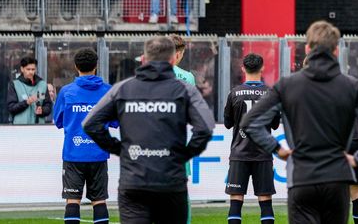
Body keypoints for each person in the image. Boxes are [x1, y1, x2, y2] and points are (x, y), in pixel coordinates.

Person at [241, 21, 358, 224]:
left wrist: (278, 149)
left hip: (302, 177)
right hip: (336, 177)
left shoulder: (287, 85)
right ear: (336, 50)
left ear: (307, 49)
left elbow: (249, 122)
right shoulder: (351, 86)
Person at [83, 36, 215, 223]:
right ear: (172, 60)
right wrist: (185, 154)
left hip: (134, 180)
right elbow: (206, 126)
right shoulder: (184, 88)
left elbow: (90, 123)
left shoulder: (123, 89)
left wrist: (119, 149)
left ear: (144, 60)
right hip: (170, 180)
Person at [52, 48, 113, 224]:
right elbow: (116, 121)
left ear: (76, 66)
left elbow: (58, 121)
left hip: (74, 154)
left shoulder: (66, 92)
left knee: (73, 201)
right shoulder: (107, 91)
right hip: (98, 154)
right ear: (96, 66)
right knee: (99, 201)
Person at [223, 53, 279, 224]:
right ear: (262, 68)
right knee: (265, 200)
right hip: (263, 154)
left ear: (243, 68)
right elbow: (275, 124)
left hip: (240, 153)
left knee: (236, 200)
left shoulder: (234, 93)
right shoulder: (270, 94)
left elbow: (227, 123)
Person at [7, 55, 53, 125]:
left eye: (33, 69)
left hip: (39, 128)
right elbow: (11, 108)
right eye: (28, 69)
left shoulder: (42, 85)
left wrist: (42, 110)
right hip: (20, 128)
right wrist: (26, 102)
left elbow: (48, 106)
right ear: (22, 69)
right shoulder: (14, 85)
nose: (31, 72)